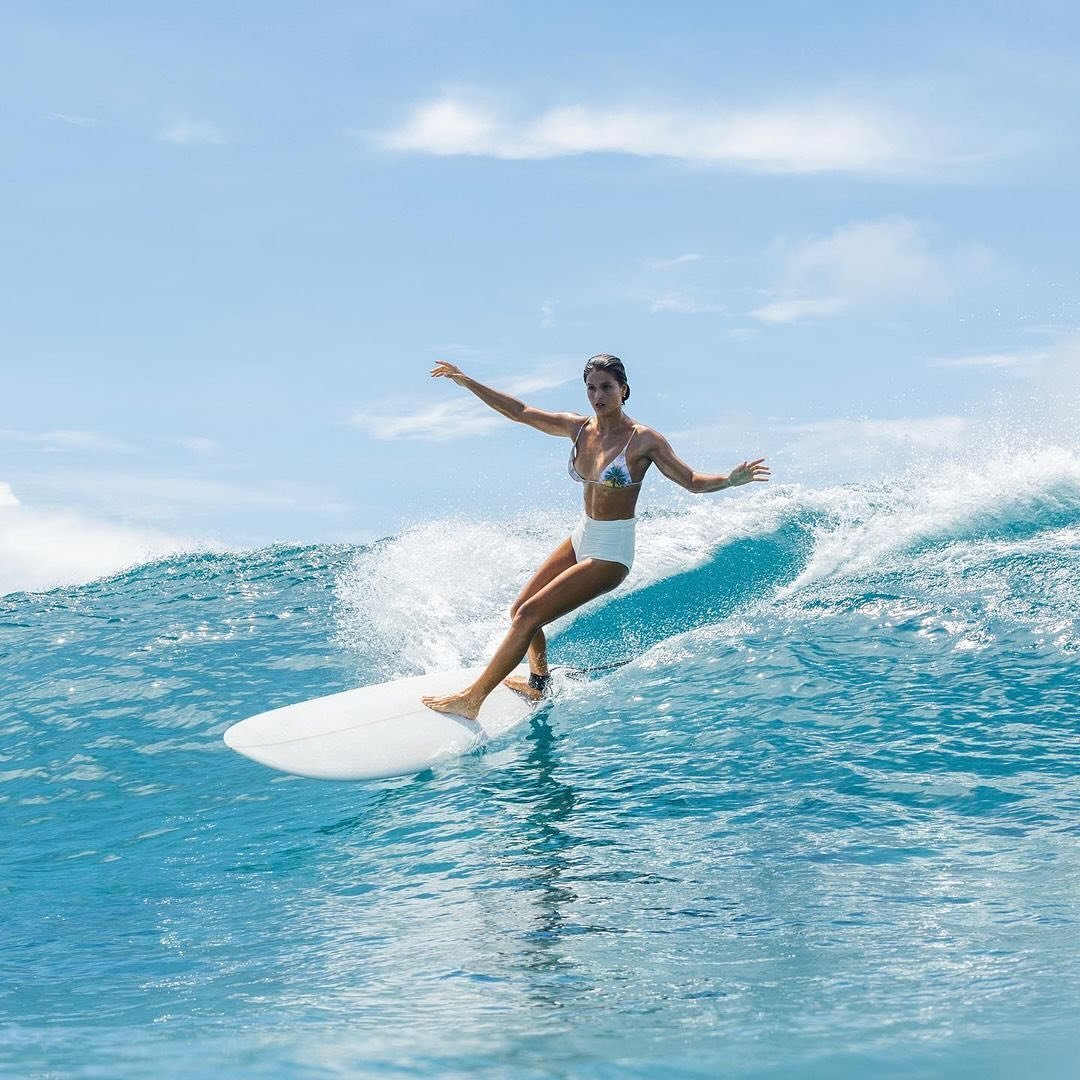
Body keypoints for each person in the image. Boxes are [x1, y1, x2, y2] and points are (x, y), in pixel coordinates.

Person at [421, 354, 770, 720]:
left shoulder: (643, 441)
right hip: (583, 535)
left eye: (606, 387)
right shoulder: (579, 429)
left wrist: (730, 480)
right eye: (591, 387)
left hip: (611, 552)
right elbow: (520, 411)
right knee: (520, 612)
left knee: (527, 615)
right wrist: (467, 381)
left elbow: (691, 481)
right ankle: (538, 683)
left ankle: (473, 700)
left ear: (624, 390)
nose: (598, 395)